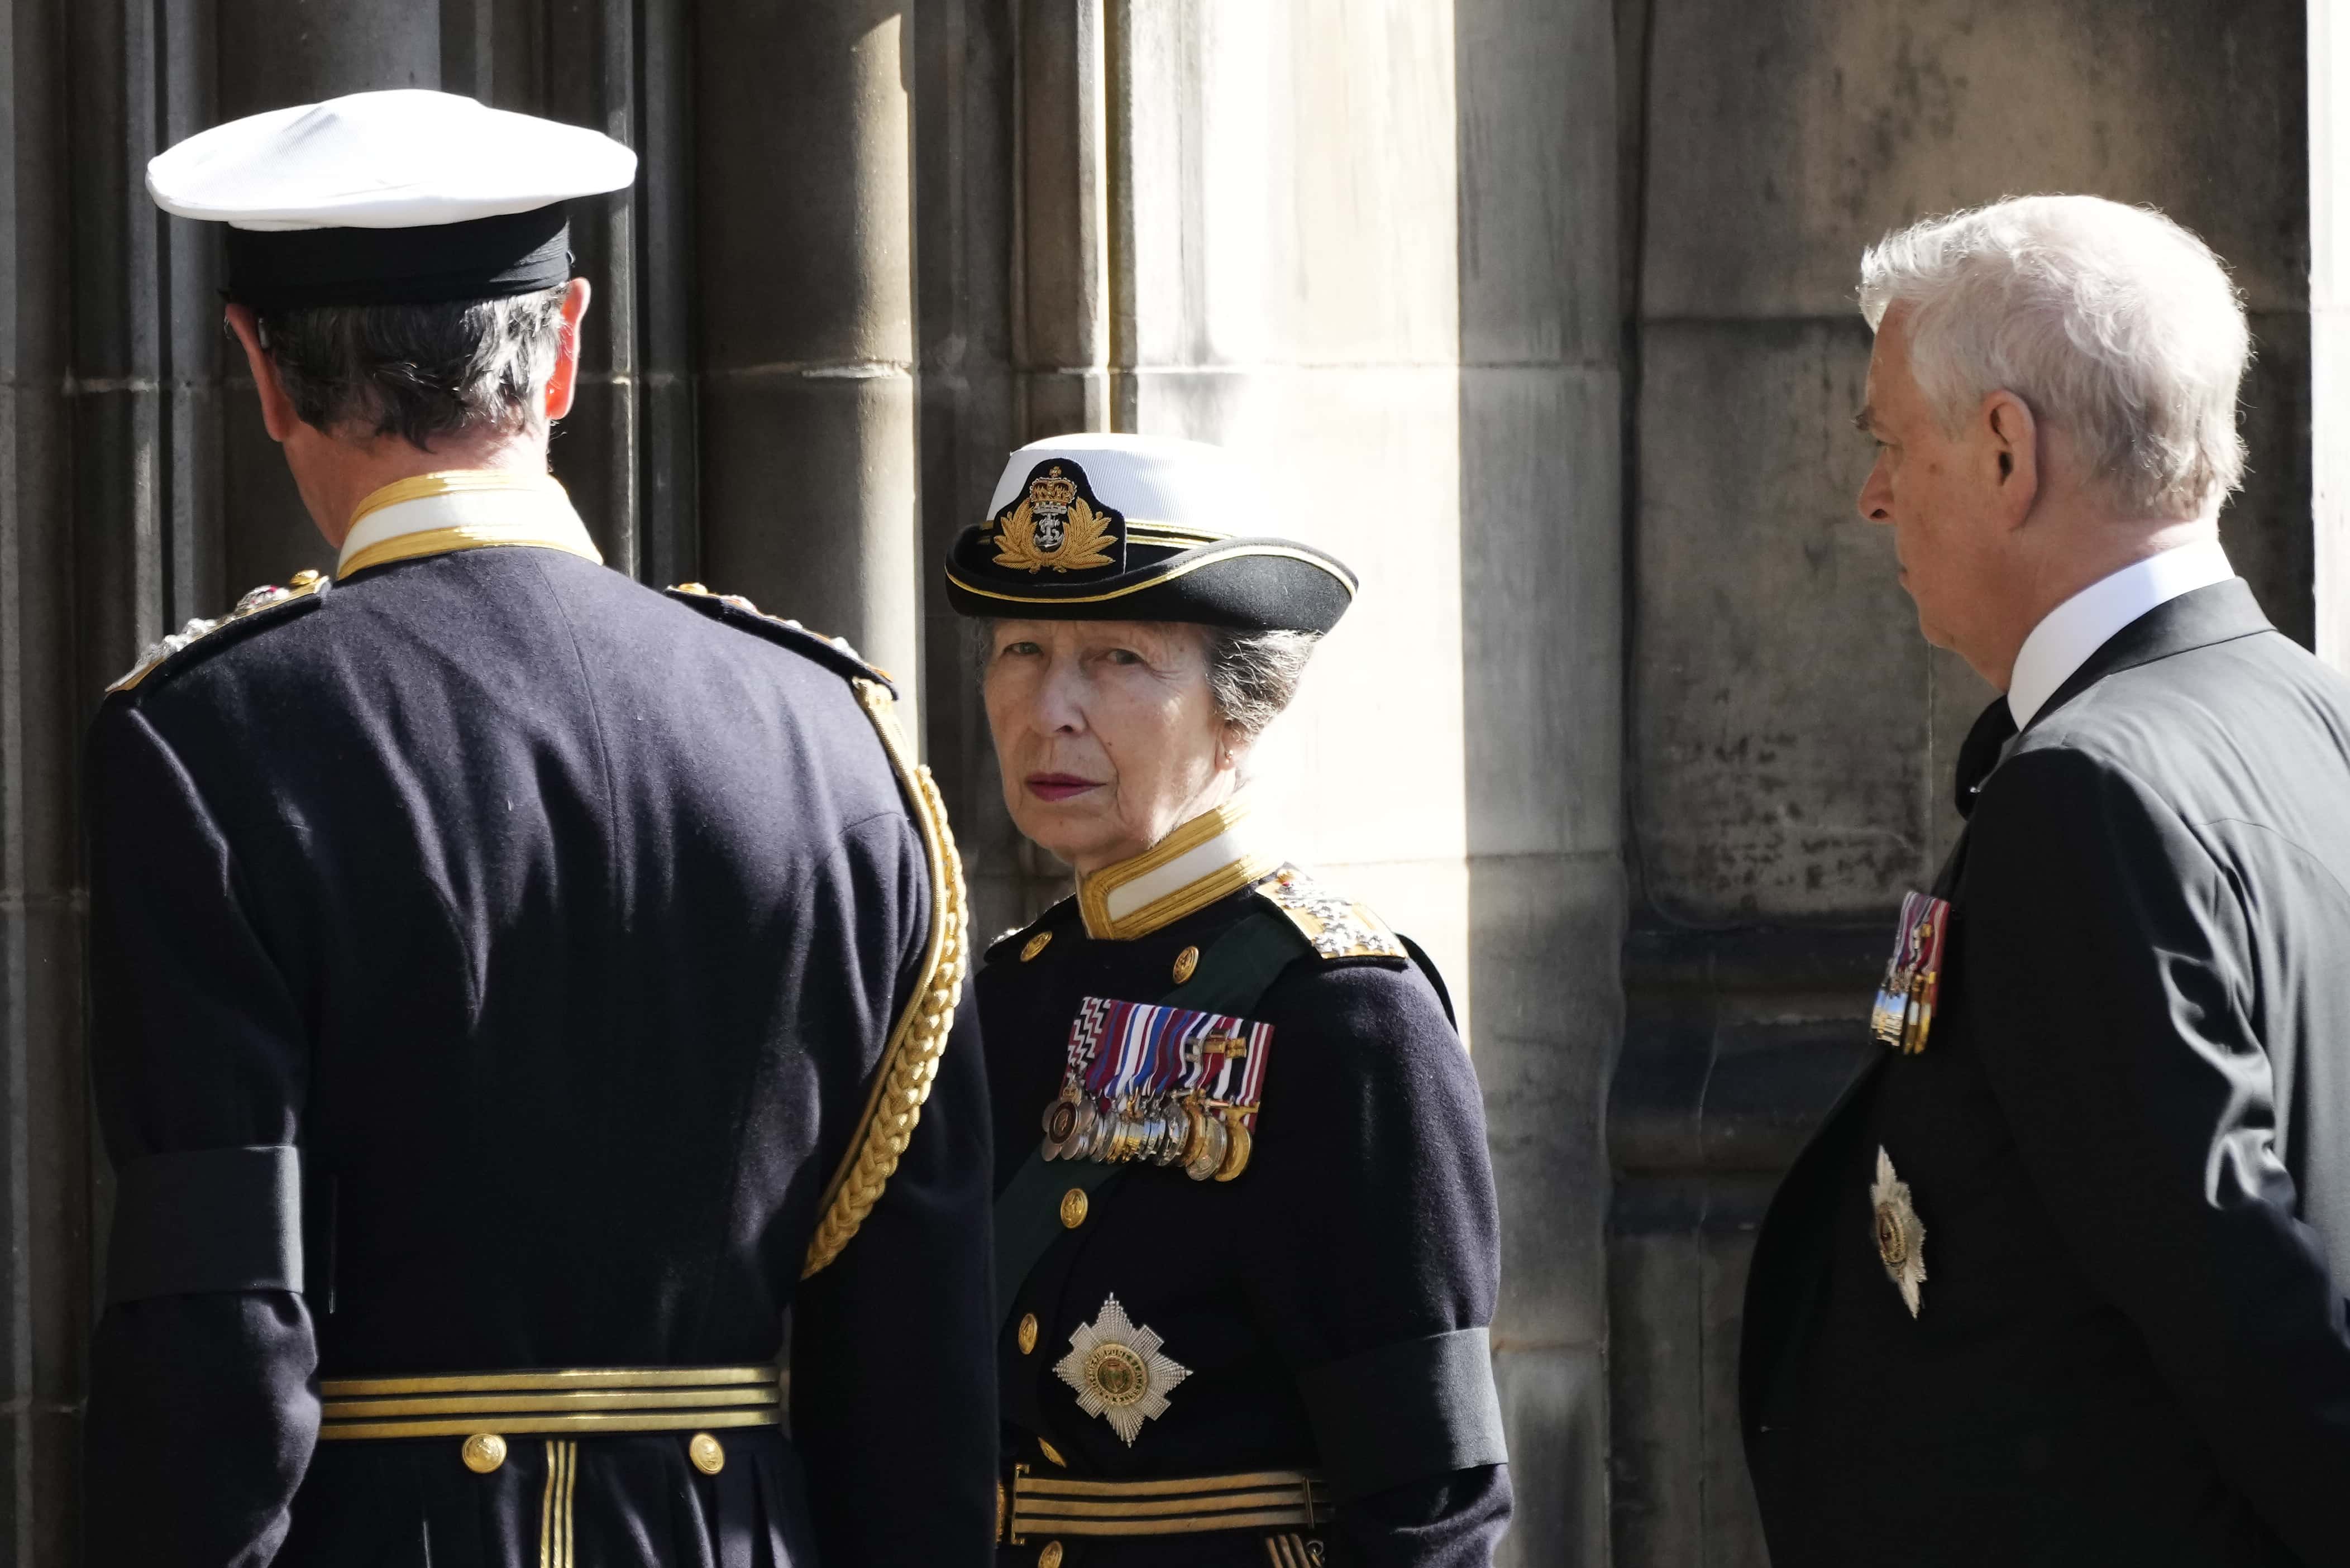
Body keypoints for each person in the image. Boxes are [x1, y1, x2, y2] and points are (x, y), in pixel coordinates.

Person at [85, 89, 995, 1566]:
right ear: (566, 346)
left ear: (258, 369)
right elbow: (922, 1357)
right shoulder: (842, 737)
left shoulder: (210, 739)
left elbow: (216, 1334)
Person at [1741, 194, 2350, 1565]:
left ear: (2006, 449)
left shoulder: (2087, 793)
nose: (1873, 493)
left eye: (1892, 442)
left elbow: (2242, 1302)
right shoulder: (2312, 713)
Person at [943, 432, 1511, 1567]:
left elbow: (1430, 1500)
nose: (1050, 708)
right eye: (1020, 650)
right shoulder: (1005, 995)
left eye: (1115, 659)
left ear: (1239, 711)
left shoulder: (1345, 1016)